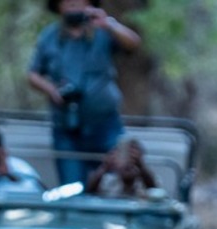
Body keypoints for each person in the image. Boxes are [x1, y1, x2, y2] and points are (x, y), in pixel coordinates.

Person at [27, 0, 141, 187]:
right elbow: (33, 74)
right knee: (72, 187)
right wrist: (52, 90)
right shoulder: (49, 36)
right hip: (66, 127)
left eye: (79, 2)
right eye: (69, 3)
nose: (74, 7)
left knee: (117, 181)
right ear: (59, 7)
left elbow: (133, 44)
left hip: (106, 124)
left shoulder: (103, 31)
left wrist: (109, 24)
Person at [85, 137, 157, 198]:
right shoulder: (108, 181)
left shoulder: (146, 179)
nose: (129, 165)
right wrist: (104, 167)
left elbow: (155, 190)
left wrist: (141, 167)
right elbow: (89, 193)